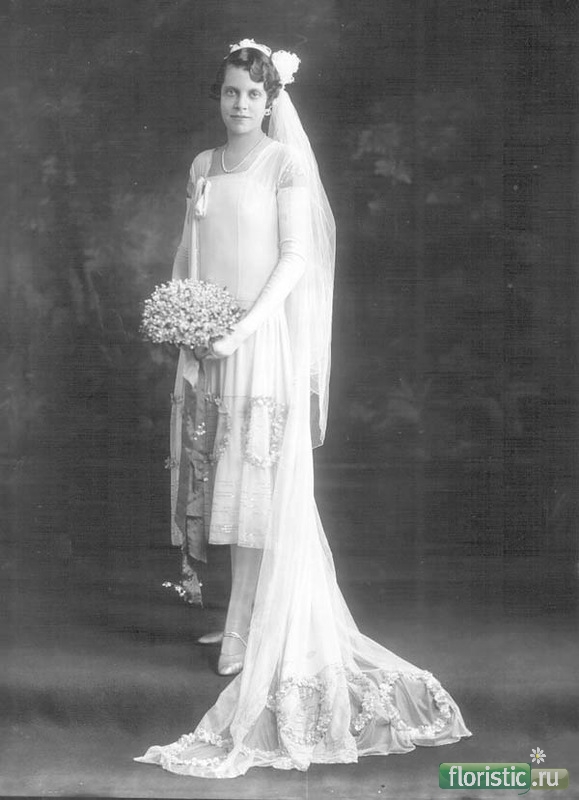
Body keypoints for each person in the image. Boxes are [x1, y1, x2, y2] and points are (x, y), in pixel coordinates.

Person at [136, 38, 471, 779]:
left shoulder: (283, 164)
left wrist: (241, 329)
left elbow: (294, 260)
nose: (240, 105)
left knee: (256, 482)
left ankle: (251, 632)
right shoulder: (201, 165)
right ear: (218, 95)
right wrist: (185, 319)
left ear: (271, 100)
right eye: (230, 92)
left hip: (258, 342)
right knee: (218, 478)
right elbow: (190, 251)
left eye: (253, 95)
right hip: (210, 337)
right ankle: (237, 620)